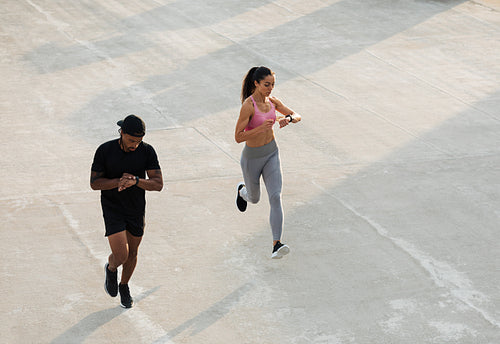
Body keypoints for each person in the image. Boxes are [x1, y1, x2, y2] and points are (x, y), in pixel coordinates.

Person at [90, 114, 163, 308]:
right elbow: (94, 183)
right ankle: (112, 268)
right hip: (112, 207)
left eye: (139, 141)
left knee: (133, 253)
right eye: (131, 140)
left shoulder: (147, 151)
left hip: (136, 208)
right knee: (121, 255)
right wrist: (119, 181)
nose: (135, 145)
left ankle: (124, 285)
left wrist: (136, 181)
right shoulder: (105, 150)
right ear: (121, 132)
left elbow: (158, 184)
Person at [234, 66, 301, 259]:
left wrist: (288, 118)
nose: (270, 88)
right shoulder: (248, 105)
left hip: (271, 153)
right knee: (254, 198)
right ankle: (242, 191)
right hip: (252, 158)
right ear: (256, 83)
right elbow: (238, 137)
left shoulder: (272, 101)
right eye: (266, 84)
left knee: (275, 196)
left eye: (272, 84)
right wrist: (260, 128)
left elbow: (297, 115)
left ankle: (276, 244)